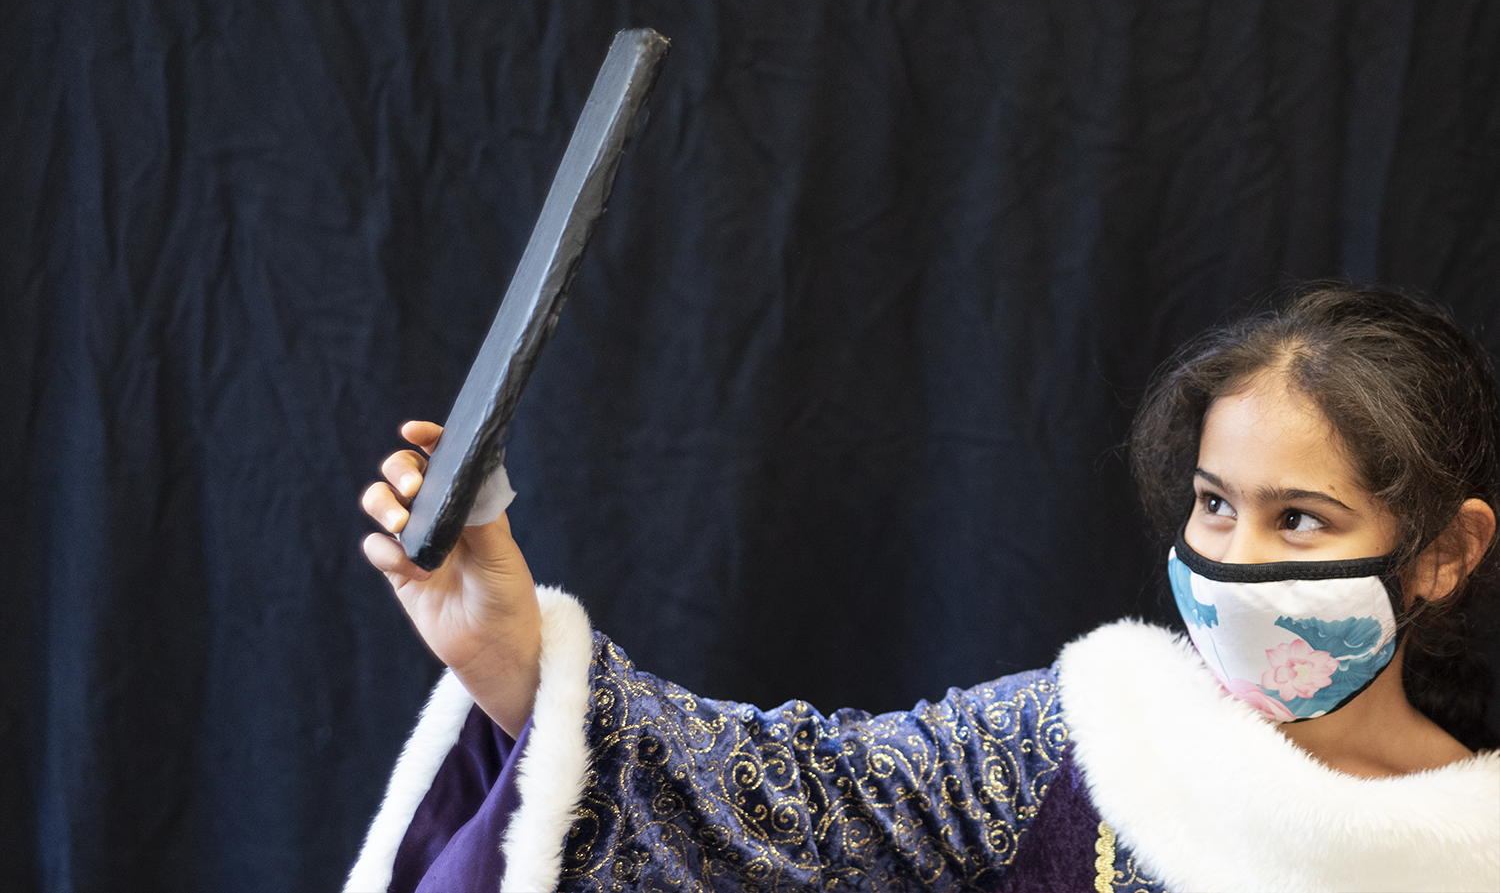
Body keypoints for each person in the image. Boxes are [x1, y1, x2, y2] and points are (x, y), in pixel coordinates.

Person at [345, 285, 1500, 893]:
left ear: (1444, 552)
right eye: (1212, 502)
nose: (1233, 557)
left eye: (1298, 517)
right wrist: (509, 653)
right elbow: (790, 801)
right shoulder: (1088, 740)